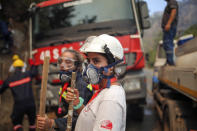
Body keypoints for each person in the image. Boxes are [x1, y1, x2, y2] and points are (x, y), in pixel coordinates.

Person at [68, 34, 126, 131]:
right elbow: (92, 120)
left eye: (96, 61)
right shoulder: (103, 91)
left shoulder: (111, 98)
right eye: (89, 61)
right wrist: (77, 103)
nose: (89, 67)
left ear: (112, 66)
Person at [36, 49, 93, 131]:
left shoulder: (80, 85)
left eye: (68, 62)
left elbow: (79, 119)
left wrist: (52, 123)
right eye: (60, 61)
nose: (62, 65)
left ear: (77, 65)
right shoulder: (67, 82)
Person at [0, 59, 38, 131]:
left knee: (17, 123)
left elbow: (1, 89)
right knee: (32, 123)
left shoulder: (10, 80)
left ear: (13, 69)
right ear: (22, 67)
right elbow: (35, 72)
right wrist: (33, 65)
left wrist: (3, 83)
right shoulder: (27, 74)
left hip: (19, 105)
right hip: (31, 104)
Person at [161, 0, 178, 65]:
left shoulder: (172, 2)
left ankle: (170, 62)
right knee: (166, 45)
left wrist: (168, 23)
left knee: (168, 44)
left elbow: (173, 12)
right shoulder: (170, 3)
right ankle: (169, 60)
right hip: (168, 27)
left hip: (170, 27)